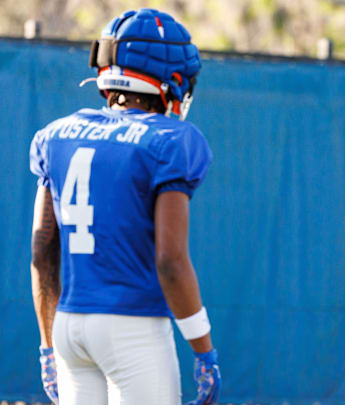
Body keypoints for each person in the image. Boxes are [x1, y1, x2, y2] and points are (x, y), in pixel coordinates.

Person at [29, 9, 221, 405]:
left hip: (68, 325)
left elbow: (42, 251)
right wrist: (203, 349)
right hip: (133, 329)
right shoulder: (170, 139)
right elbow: (170, 261)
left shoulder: (56, 135)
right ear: (174, 78)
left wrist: (48, 344)